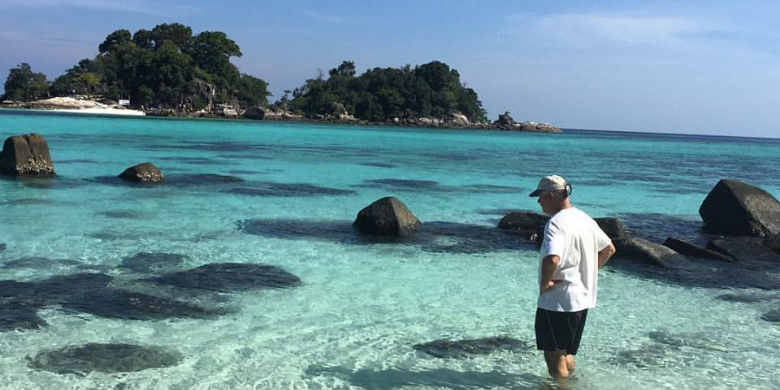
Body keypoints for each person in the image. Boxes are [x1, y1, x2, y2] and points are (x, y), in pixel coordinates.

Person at [529, 175, 616, 379]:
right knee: (566, 353)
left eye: (540, 196)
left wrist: (544, 283)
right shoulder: (584, 218)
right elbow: (609, 249)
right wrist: (587, 273)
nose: (538, 201)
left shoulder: (556, 223)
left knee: (554, 358)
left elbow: (552, 259)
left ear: (551, 195)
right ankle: (572, 382)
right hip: (582, 299)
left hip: (558, 302)